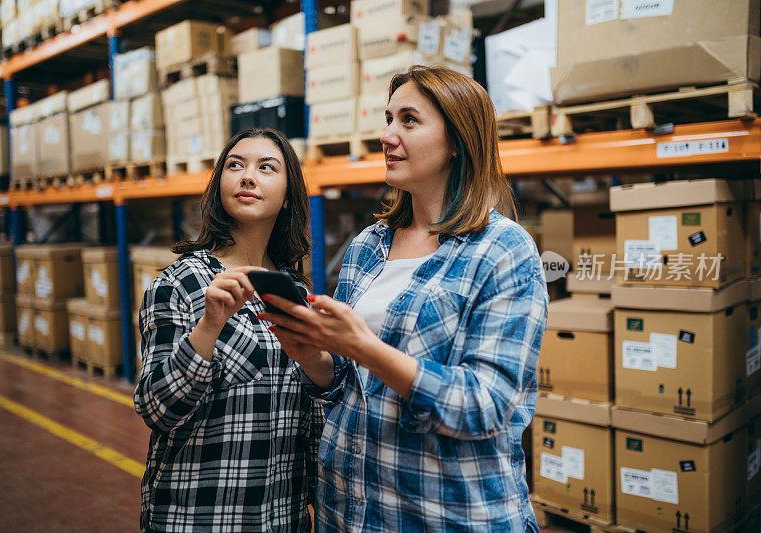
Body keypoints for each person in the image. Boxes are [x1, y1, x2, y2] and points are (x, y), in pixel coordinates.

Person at [260, 66, 548, 531]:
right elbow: (347, 387)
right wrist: (314, 357)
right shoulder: (368, 246)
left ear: (457, 139)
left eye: (409, 121)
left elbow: (488, 406)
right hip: (350, 511)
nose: (387, 135)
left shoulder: (503, 251)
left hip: (445, 513)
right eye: (388, 118)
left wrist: (363, 348)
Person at [134, 128, 323, 532]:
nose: (247, 176)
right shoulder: (180, 283)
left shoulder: (294, 291)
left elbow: (311, 422)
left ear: (289, 194)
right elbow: (156, 409)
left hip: (281, 519)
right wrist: (209, 324)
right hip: (197, 518)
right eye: (235, 165)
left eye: (266, 167)